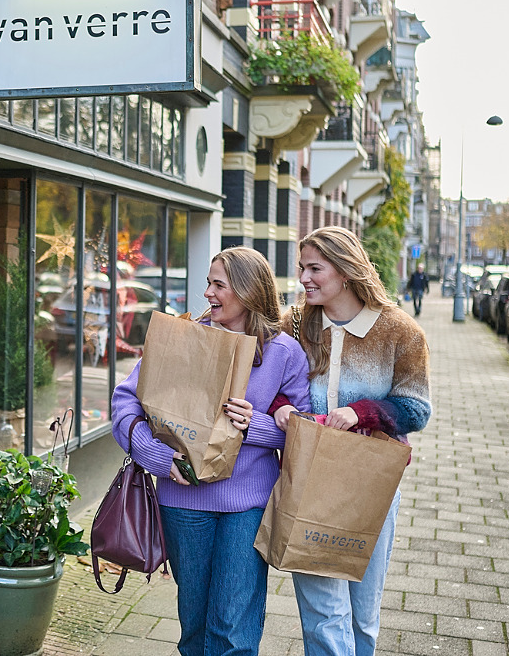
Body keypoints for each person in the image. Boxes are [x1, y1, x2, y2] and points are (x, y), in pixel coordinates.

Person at [111, 246, 310, 656]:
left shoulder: (284, 352)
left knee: (231, 628)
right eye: (208, 283)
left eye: (218, 284)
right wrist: (155, 455)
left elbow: (304, 432)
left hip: (248, 503)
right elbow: (125, 401)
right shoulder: (183, 338)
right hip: (182, 500)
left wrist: (251, 425)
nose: (207, 293)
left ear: (248, 290)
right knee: (195, 625)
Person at [270, 226, 431, 656]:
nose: (304, 277)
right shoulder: (296, 323)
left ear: (345, 271)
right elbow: (270, 380)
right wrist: (280, 405)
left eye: (314, 268)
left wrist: (362, 412)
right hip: (308, 479)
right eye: (302, 267)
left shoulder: (399, 332)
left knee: (362, 615)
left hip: (371, 485)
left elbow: (417, 409)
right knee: (324, 614)